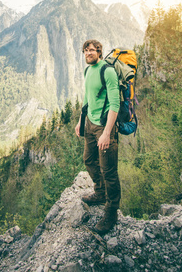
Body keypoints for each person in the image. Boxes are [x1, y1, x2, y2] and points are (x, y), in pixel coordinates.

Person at [75, 39, 121, 235]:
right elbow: (87, 98)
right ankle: (100, 192)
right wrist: (80, 121)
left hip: (104, 127)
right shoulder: (88, 71)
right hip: (90, 124)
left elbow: (115, 104)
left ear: (99, 52)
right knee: (88, 159)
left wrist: (107, 133)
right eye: (85, 51)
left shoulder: (107, 71)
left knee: (109, 171)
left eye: (91, 51)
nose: (88, 54)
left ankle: (111, 213)